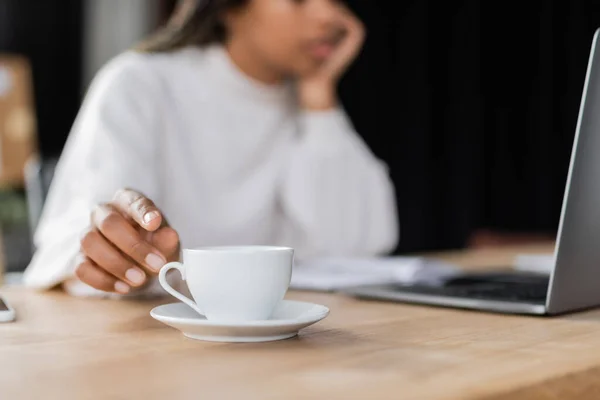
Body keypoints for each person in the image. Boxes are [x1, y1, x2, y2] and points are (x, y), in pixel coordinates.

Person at [24, 0, 398, 297]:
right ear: (230, 8)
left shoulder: (308, 104)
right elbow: (72, 243)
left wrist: (319, 95)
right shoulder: (139, 84)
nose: (329, 15)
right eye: (299, 0)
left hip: (273, 346)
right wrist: (131, 257)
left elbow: (360, 244)